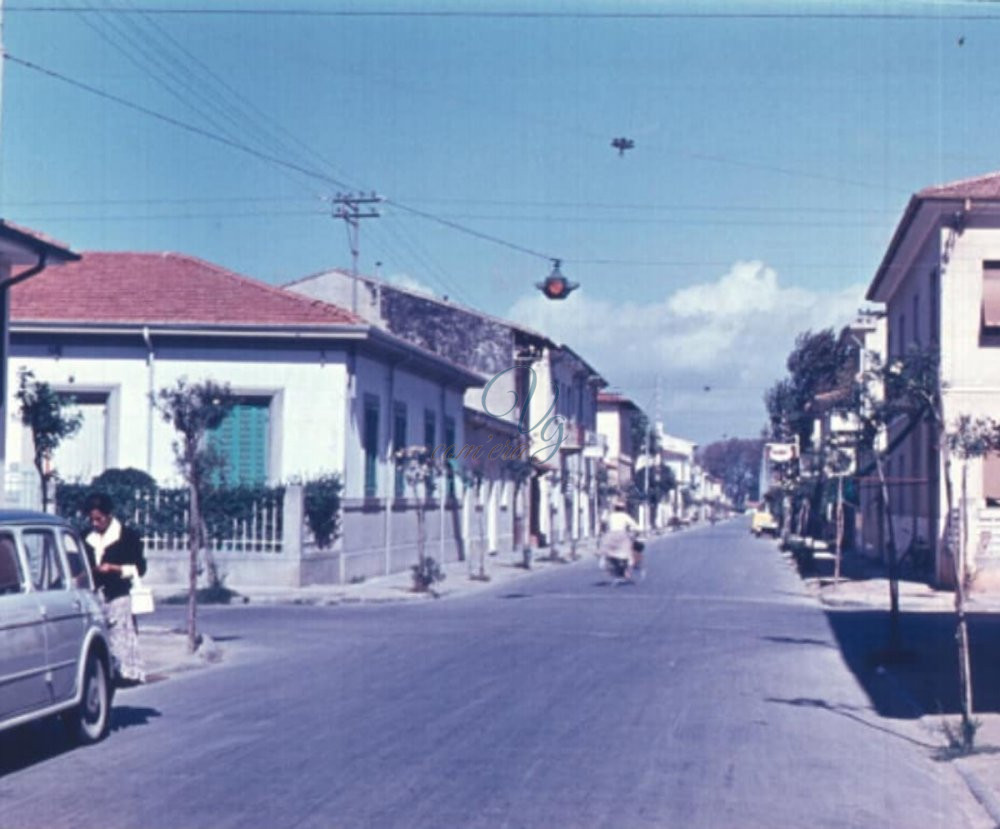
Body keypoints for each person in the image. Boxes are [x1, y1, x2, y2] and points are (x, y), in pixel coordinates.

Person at [83, 492, 147, 686]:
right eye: (91, 519)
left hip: (117, 594)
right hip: (94, 595)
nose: (95, 523)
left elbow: (140, 568)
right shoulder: (86, 537)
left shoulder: (128, 537)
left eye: (99, 519)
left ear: (108, 515)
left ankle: (123, 673)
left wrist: (114, 568)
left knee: (120, 634)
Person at [601, 499, 641, 581]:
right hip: (622, 536)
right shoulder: (624, 516)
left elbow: (603, 522)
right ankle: (627, 571)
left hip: (610, 536)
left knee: (609, 553)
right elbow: (635, 526)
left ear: (615, 508)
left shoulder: (611, 516)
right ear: (623, 509)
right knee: (629, 555)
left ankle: (612, 565)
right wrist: (637, 531)